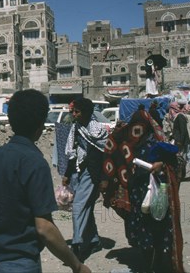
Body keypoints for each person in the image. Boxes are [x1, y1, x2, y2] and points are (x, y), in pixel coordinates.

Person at [0, 89, 90, 273]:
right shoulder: (36, 163)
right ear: (40, 125)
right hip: (24, 262)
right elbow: (44, 227)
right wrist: (76, 265)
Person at [101, 107, 184, 273]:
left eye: (141, 126)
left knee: (158, 229)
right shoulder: (126, 143)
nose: (137, 130)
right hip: (137, 195)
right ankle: (148, 264)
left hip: (156, 195)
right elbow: (112, 154)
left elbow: (177, 163)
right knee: (142, 230)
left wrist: (161, 166)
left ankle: (158, 264)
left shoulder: (158, 143)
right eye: (134, 126)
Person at [63, 98, 107, 262]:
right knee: (86, 206)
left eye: (77, 111)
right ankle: (94, 240)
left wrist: (104, 178)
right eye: (73, 111)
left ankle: (78, 244)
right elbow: (73, 151)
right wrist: (67, 174)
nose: (74, 114)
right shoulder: (76, 128)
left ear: (86, 112)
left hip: (93, 173)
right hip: (79, 171)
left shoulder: (98, 130)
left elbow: (104, 154)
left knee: (79, 206)